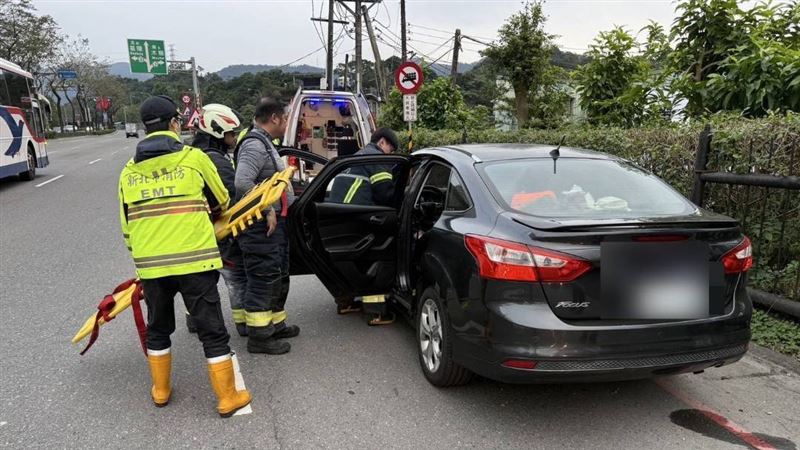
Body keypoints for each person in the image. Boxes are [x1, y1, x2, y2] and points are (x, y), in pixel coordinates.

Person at [118, 95, 251, 418]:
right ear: (175, 123)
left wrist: (144, 259)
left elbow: (126, 228)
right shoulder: (193, 158)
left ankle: (161, 390)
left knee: (158, 328)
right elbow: (221, 199)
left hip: (152, 266)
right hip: (196, 260)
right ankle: (227, 397)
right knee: (211, 330)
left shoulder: (128, 172)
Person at [234, 98, 298, 355]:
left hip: (273, 227)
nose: (286, 123)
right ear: (274, 118)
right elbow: (242, 182)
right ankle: (259, 337)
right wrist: (267, 209)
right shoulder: (254, 145)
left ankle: (275, 325)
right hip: (260, 228)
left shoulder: (264, 142)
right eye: (285, 118)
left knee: (277, 275)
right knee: (263, 278)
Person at [184, 104, 249, 337]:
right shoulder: (217, 160)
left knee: (200, 280)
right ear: (218, 132)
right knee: (236, 275)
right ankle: (244, 323)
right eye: (231, 134)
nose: (233, 138)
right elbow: (230, 196)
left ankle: (194, 320)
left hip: (196, 229)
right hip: (220, 229)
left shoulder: (193, 155)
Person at [328, 128, 399, 324]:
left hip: (336, 217)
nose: (390, 154)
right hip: (357, 217)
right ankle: (375, 311)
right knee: (378, 256)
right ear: (383, 142)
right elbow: (385, 193)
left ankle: (346, 301)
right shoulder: (376, 159)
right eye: (391, 149)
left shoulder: (357, 156)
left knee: (348, 262)